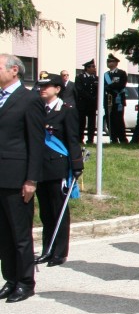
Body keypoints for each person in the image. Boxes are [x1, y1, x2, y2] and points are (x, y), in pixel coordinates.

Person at [0, 54, 45, 303]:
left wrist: (31, 180)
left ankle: (26, 282)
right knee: (3, 234)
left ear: (14, 70)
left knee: (19, 234)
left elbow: (36, 144)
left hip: (17, 178)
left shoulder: (29, 100)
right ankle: (10, 278)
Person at [33, 72, 84, 267]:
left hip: (58, 166)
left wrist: (77, 165)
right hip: (39, 166)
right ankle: (47, 248)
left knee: (58, 210)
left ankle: (59, 251)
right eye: (41, 86)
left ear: (58, 89)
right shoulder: (36, 109)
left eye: (48, 86)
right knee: (45, 211)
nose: (42, 89)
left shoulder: (67, 109)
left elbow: (72, 139)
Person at [104, 54, 128, 144]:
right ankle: (113, 138)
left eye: (111, 61)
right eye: (108, 61)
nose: (109, 63)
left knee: (118, 120)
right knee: (109, 119)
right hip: (108, 100)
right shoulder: (105, 75)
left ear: (116, 63)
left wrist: (109, 87)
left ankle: (122, 138)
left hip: (118, 100)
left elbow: (121, 85)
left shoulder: (121, 73)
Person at [75, 59, 98, 144]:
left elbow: (98, 90)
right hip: (83, 104)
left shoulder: (96, 78)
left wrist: (95, 98)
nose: (94, 68)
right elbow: (80, 90)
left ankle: (90, 139)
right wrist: (90, 97)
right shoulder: (80, 77)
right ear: (87, 68)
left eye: (94, 67)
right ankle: (80, 139)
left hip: (92, 104)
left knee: (92, 123)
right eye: (92, 67)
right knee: (81, 122)